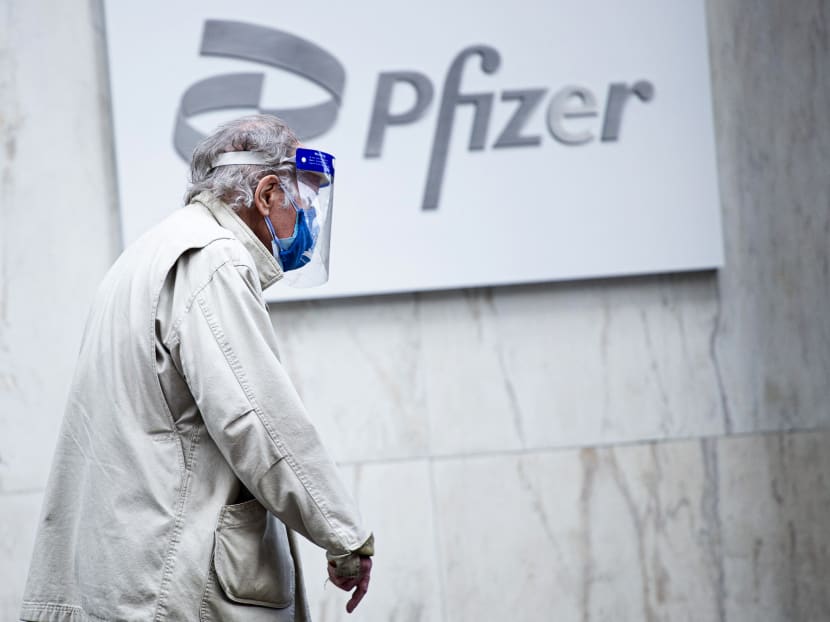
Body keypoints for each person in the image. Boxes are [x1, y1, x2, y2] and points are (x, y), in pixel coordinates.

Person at [20, 114, 373, 622]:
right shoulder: (214, 259)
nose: (310, 221)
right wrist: (344, 535)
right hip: (176, 579)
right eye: (306, 200)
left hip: (131, 572)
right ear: (268, 193)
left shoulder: (146, 255)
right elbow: (258, 419)